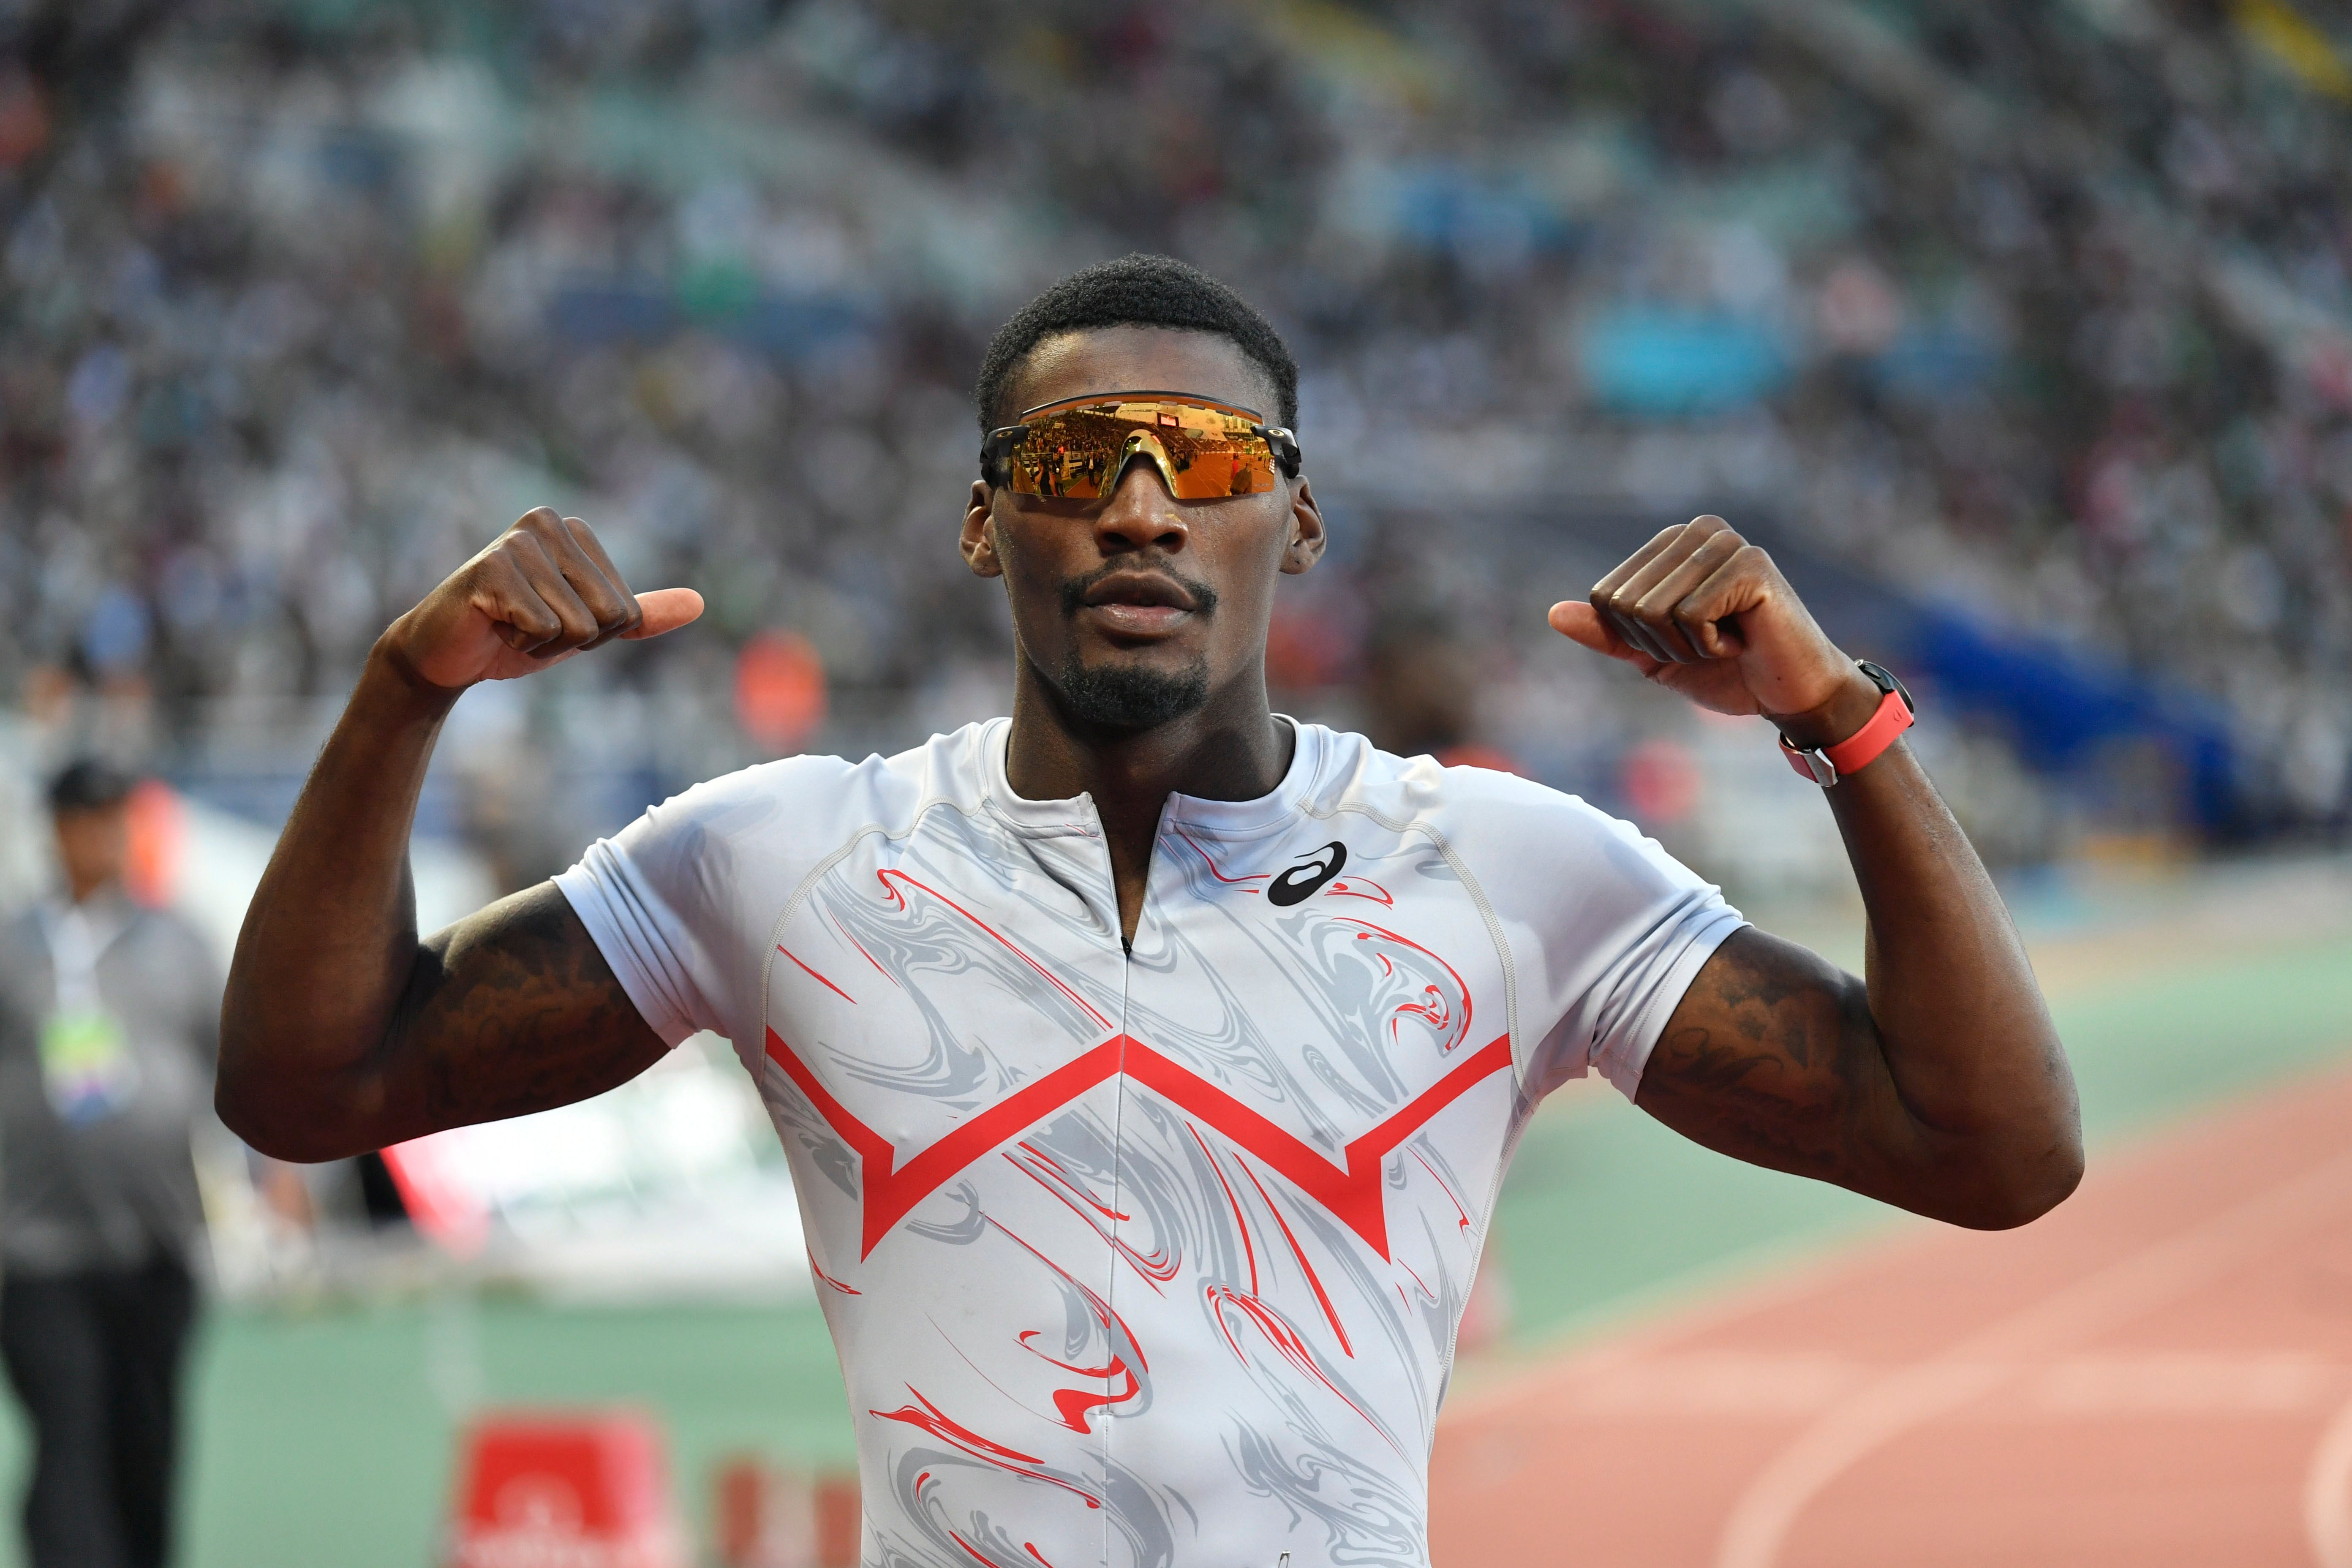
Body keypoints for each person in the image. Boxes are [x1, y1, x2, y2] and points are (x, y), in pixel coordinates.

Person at [216, 254, 2081, 1568]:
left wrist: (1840, 721)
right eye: (1065, 465)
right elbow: (312, 1086)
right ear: (982, 524)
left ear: (1299, 518)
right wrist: (404, 690)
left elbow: (1992, 1146)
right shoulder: (781, 860)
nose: (1135, 508)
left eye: (1203, 462)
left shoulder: (1501, 871)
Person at [0, 760, 218, 1568]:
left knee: (146, 1441)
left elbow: (230, 1068)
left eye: (114, 817)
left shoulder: (180, 942)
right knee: (69, 1434)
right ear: (55, 830)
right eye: (84, 819)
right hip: (39, 1246)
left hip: (156, 1243)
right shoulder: (15, 947)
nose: (103, 835)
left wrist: (279, 1175)